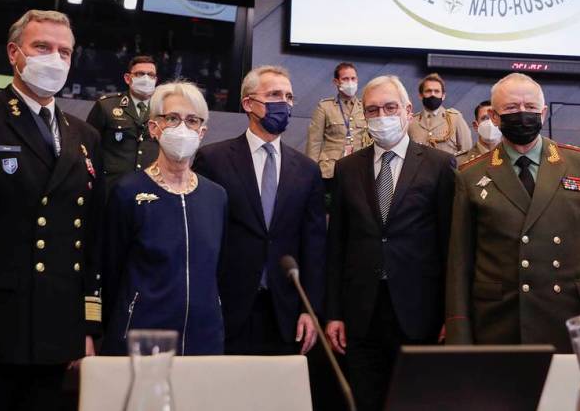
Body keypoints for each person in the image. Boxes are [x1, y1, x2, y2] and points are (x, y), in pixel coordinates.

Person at [0, 10, 103, 409]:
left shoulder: (85, 135)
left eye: (64, 52)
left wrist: (86, 327)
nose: (54, 59)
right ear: (14, 53)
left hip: (56, 333)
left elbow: (89, 241)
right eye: (42, 47)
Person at [446, 73, 580, 353]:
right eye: (511, 108)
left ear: (543, 112)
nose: (522, 114)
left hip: (569, 318)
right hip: (499, 323)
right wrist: (459, 334)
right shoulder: (470, 175)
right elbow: (459, 264)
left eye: (530, 107)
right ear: (494, 116)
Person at [326, 75, 455, 411]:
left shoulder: (440, 166)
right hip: (361, 312)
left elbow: (449, 247)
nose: (381, 116)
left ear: (408, 111)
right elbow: (337, 245)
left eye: (390, 107)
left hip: (419, 313)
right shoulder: (346, 168)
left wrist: (450, 314)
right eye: (372, 110)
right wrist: (334, 313)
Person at [194, 65, 326, 355]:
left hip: (285, 312)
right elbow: (202, 239)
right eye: (275, 95)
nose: (284, 104)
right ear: (248, 103)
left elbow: (314, 246)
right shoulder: (212, 160)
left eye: (289, 97)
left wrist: (311, 308)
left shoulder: (307, 170)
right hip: (227, 309)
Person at [101, 81, 226, 356]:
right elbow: (111, 270)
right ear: (154, 128)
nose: (182, 128)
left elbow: (218, 269)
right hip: (142, 339)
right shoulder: (128, 191)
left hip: (203, 340)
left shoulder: (216, 196)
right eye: (172, 118)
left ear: (202, 132)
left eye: (192, 120)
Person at [86, 55, 160, 194]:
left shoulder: (163, 110)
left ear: (156, 80)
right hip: (111, 187)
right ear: (127, 78)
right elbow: (88, 146)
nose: (146, 79)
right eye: (140, 74)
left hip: (149, 187)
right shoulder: (106, 106)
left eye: (151, 75)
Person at [306, 62, 370, 193]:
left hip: (359, 171)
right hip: (330, 171)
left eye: (353, 78)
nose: (350, 82)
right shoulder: (325, 107)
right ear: (336, 82)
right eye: (345, 79)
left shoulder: (365, 107)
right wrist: (310, 173)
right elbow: (314, 142)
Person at [408, 72, 472, 155]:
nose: (432, 94)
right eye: (428, 91)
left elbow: (466, 151)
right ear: (421, 95)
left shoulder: (455, 118)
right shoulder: (412, 122)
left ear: (443, 96)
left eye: (437, 91)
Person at [456, 99, 502, 168]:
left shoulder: (514, 155)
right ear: (476, 126)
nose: (490, 123)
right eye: (485, 118)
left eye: (495, 117)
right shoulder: (460, 161)